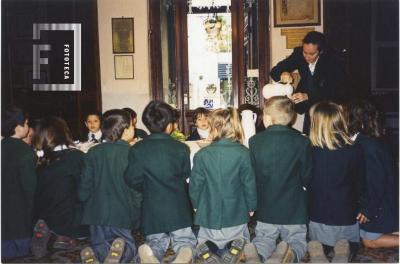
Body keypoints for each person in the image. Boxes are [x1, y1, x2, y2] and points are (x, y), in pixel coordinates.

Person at [124, 100, 196, 264]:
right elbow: (186, 173)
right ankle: (185, 252)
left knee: (156, 241)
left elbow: (131, 178)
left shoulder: (137, 149)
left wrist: (147, 188)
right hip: (178, 206)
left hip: (152, 206)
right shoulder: (181, 148)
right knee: (184, 238)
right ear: (170, 125)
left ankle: (151, 253)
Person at [189, 107, 257, 263]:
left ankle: (207, 249)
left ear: (214, 128)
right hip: (236, 211)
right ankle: (235, 248)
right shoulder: (244, 153)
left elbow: (195, 185)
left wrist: (195, 204)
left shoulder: (202, 154)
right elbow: (249, 184)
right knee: (242, 236)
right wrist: (251, 206)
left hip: (208, 212)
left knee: (205, 237)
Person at [249, 96, 312, 263]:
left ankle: (259, 254)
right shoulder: (302, 141)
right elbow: (307, 175)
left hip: (266, 205)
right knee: (297, 240)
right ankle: (290, 255)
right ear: (291, 118)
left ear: (267, 118)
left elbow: (252, 174)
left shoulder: (255, 141)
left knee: (263, 237)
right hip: (294, 208)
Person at [78, 109, 140, 263]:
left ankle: (96, 255)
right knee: (128, 246)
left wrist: (83, 200)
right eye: (132, 126)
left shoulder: (93, 152)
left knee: (99, 242)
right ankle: (122, 253)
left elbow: (84, 186)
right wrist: (138, 209)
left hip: (96, 212)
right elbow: (136, 188)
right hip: (122, 212)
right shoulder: (132, 153)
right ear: (125, 130)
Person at [307, 101, 364, 263]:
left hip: (318, 213)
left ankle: (323, 252)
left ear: (316, 123)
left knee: (317, 243)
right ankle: (342, 253)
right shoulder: (354, 149)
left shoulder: (310, 150)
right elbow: (360, 182)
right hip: (346, 212)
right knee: (347, 243)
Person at [270, 31, 348, 134]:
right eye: (304, 52)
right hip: (309, 109)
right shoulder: (299, 54)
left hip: (328, 110)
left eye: (311, 54)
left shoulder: (332, 61)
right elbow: (274, 72)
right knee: (309, 140)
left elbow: (334, 92)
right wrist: (283, 73)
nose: (306, 57)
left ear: (321, 51)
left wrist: (308, 96)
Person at [32, 116, 88, 257]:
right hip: (69, 218)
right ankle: (65, 238)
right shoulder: (75, 157)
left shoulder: (39, 161)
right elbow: (84, 190)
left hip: (44, 216)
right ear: (64, 133)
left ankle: (50, 234)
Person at [347, 99, 399, 249]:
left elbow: (375, 181)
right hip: (382, 199)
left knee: (369, 241)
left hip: (379, 203)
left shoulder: (368, 146)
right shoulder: (371, 141)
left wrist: (368, 209)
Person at [1, 107, 37, 259]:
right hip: (19, 218)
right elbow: (30, 189)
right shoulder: (25, 152)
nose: (28, 128)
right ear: (18, 127)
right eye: (27, 123)